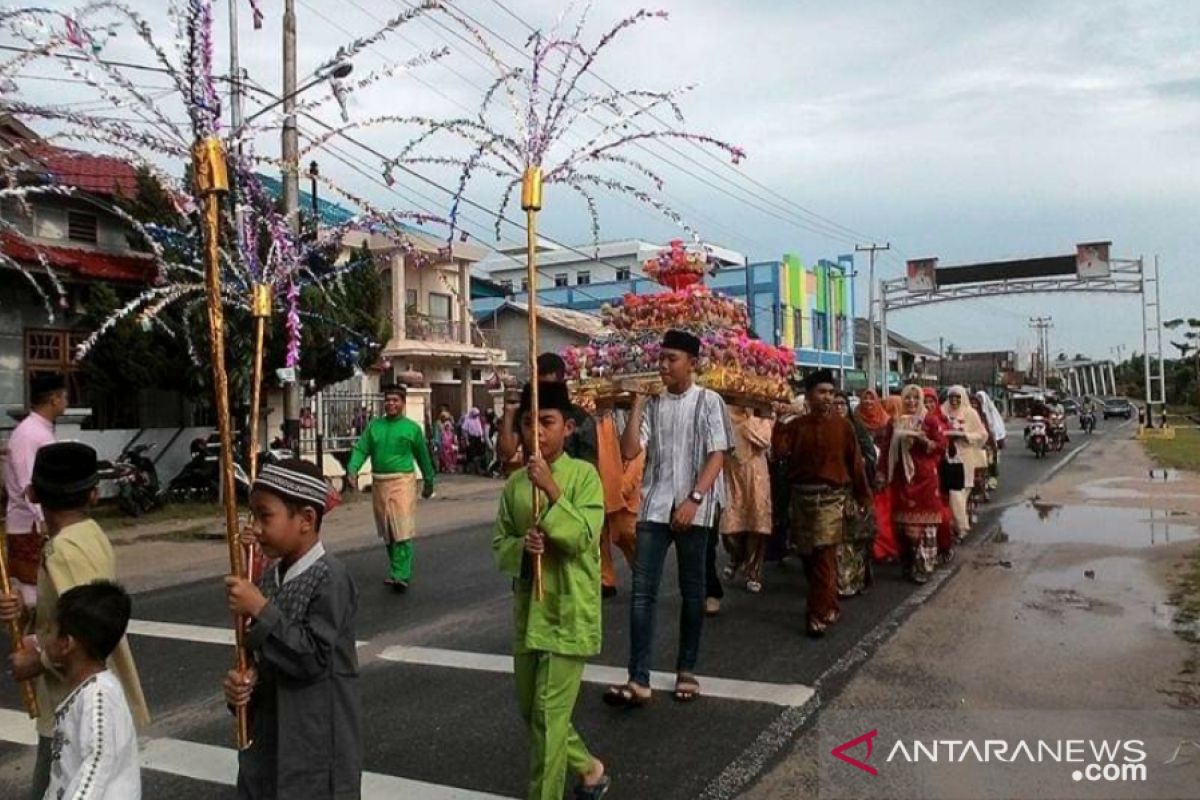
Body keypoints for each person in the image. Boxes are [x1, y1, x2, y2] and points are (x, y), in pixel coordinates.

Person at [0, 442, 149, 800]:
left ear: (34, 493)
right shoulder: (90, 534)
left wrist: (37, 659)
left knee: (63, 782)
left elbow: (85, 628)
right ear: (95, 495)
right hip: (83, 689)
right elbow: (63, 615)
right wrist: (25, 612)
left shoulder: (64, 551)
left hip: (73, 696)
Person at [492, 381, 610, 800]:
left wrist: (553, 491)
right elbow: (499, 541)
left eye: (547, 421)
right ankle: (589, 767)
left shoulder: (584, 476)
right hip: (530, 608)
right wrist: (522, 550)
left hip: (569, 610)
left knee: (548, 714)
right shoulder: (514, 486)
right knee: (532, 711)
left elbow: (582, 537)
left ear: (568, 428)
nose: (536, 431)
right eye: (528, 422)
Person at [604, 329, 731, 705]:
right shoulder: (654, 405)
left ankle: (686, 669)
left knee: (693, 592)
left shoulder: (709, 401)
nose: (663, 366)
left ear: (692, 363)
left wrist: (694, 499)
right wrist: (639, 404)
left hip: (696, 508)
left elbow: (718, 454)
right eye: (661, 359)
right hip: (654, 505)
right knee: (643, 594)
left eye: (671, 359)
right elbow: (629, 451)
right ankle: (638, 678)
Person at [224, 459, 362, 800]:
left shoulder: (330, 577)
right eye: (252, 515)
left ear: (306, 519)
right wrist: (244, 686)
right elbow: (262, 655)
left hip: (316, 746)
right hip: (268, 743)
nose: (254, 528)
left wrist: (260, 608)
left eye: (264, 516)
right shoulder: (269, 577)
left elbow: (311, 658)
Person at [774, 372, 870, 637]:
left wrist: (863, 497)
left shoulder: (844, 426)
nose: (827, 397)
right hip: (801, 498)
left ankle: (815, 614)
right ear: (808, 395)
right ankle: (829, 603)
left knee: (823, 554)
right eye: (821, 392)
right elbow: (780, 453)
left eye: (830, 392)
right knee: (807, 554)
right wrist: (780, 423)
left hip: (831, 498)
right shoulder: (797, 425)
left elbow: (856, 464)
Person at [42, 580, 141, 800]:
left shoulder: (99, 696)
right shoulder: (86, 689)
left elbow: (97, 764)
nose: (44, 638)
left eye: (49, 630)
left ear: (66, 644)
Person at [346, 384, 436, 591]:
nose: (391, 404)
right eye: (388, 400)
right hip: (379, 482)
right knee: (387, 529)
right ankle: (395, 569)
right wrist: (352, 469)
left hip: (402, 481)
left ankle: (401, 574)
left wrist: (429, 482)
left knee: (401, 527)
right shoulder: (374, 427)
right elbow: (361, 450)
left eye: (395, 400)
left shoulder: (412, 429)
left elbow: (423, 457)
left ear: (403, 403)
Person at [3, 373, 67, 605]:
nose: (66, 402)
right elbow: (28, 483)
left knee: (49, 586)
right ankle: (29, 639)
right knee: (31, 591)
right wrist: (44, 521)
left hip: (40, 522)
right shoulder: (29, 433)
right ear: (54, 399)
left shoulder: (41, 430)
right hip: (28, 524)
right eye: (64, 397)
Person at [497, 353, 598, 474]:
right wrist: (508, 413)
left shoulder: (581, 418)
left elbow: (590, 464)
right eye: (538, 387)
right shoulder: (525, 414)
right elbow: (506, 453)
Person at [889, 385, 947, 584]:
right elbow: (888, 449)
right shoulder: (895, 422)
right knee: (903, 528)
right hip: (902, 479)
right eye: (907, 398)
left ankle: (924, 566)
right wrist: (882, 473)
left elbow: (941, 445)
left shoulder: (929, 420)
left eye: (916, 398)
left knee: (927, 527)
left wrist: (924, 441)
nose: (911, 402)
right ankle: (907, 563)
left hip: (925, 479)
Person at [719, 405, 773, 593]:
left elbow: (764, 440)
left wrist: (748, 419)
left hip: (756, 475)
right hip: (732, 474)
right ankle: (737, 557)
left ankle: (753, 571)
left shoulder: (762, 415)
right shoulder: (725, 412)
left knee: (757, 526)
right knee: (729, 527)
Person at [595, 405, 643, 599]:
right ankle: (605, 579)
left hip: (628, 460)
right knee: (598, 529)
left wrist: (637, 403)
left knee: (626, 530)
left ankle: (643, 574)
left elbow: (634, 450)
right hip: (598, 456)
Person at [834, 391, 879, 597]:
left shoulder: (856, 429)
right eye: (835, 404)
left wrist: (859, 462)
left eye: (842, 403)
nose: (838, 407)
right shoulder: (826, 427)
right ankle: (842, 583)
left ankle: (857, 579)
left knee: (856, 538)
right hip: (833, 491)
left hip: (855, 489)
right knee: (838, 540)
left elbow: (870, 456)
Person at [942, 386, 988, 534]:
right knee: (951, 494)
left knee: (959, 493)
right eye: (951, 397)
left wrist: (965, 435)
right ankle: (957, 526)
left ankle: (961, 528)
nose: (954, 400)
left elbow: (982, 435)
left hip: (965, 459)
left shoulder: (970, 413)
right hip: (947, 458)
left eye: (957, 397)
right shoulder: (943, 411)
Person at [859, 391, 898, 564]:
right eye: (864, 398)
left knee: (882, 512)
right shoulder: (854, 420)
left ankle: (883, 548)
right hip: (863, 473)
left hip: (882, 473)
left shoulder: (887, 422)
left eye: (871, 399)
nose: (868, 402)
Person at [462, 408, 486, 474]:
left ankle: (477, 468)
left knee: (478, 453)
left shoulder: (477, 419)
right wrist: (467, 440)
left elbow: (480, 429)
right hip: (471, 438)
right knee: (471, 454)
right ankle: (468, 469)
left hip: (478, 438)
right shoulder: (467, 420)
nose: (476, 416)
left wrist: (482, 437)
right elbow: (465, 431)